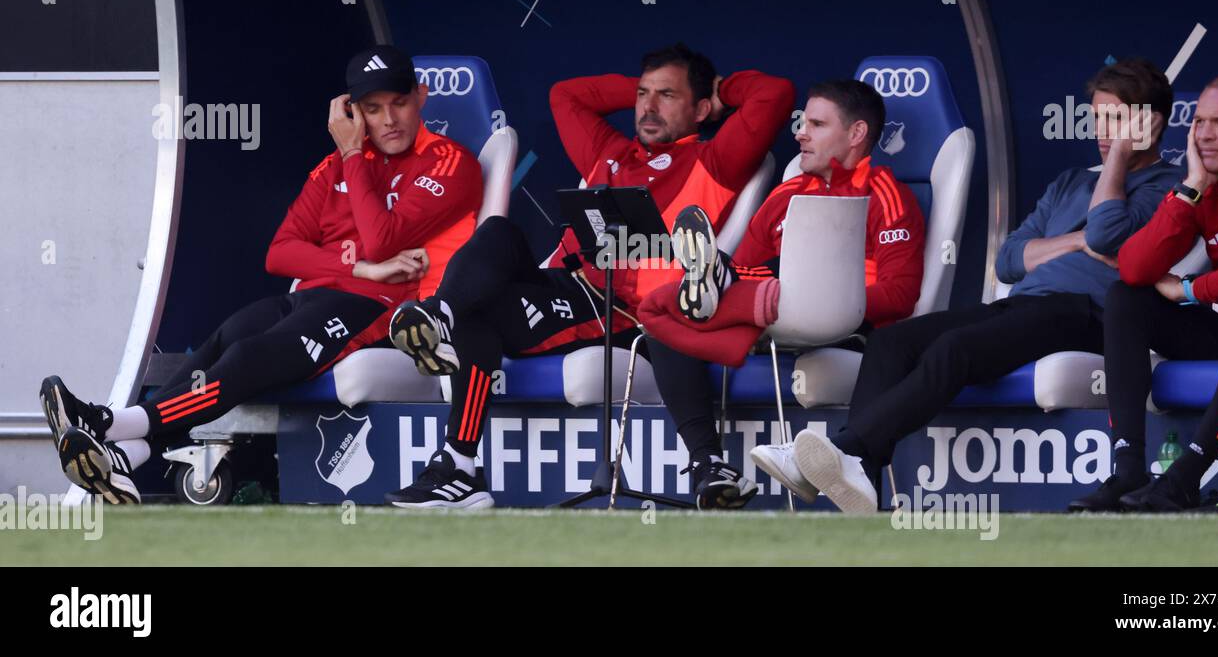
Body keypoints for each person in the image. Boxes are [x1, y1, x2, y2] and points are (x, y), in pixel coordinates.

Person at [40, 45, 483, 503]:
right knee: (226, 338)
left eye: (399, 102)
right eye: (372, 109)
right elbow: (281, 253)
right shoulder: (334, 168)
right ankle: (127, 457)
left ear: (422, 96)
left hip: (377, 306)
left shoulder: (449, 162)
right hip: (312, 294)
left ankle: (109, 423)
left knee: (252, 354)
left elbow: (383, 240)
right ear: (352, 111)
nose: (388, 119)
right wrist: (357, 263)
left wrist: (352, 155)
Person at [754, 57, 1182, 513]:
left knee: (955, 348)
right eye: (1097, 118)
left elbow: (1104, 233)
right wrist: (1075, 242)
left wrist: (1113, 167)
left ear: (1148, 123)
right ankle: (864, 476)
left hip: (1090, 313)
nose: (1102, 132)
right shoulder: (1069, 182)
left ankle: (848, 450)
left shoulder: (1168, 185)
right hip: (1028, 305)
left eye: (1115, 119)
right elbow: (1010, 260)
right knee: (893, 343)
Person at [385, 43, 795, 509]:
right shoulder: (609, 151)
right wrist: (646, 89)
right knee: (498, 236)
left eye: (667, 96)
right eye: (643, 95)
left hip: (626, 310)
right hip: (566, 285)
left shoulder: (714, 159)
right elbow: (566, 96)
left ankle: (459, 463)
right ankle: (440, 320)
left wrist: (720, 90)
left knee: (484, 320)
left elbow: (776, 93)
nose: (648, 106)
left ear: (701, 109)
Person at [637, 79, 925, 508]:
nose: (800, 132)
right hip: (769, 318)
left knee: (701, 293)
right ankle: (710, 465)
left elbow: (901, 294)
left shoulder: (884, 193)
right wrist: (755, 285)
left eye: (816, 124)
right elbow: (748, 269)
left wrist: (830, 295)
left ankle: (705, 285)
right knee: (666, 322)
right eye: (803, 121)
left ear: (857, 134)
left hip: (845, 323)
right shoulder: (785, 195)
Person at [1073, 71, 1218, 512]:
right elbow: (1137, 268)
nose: (1204, 135)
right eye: (1197, 123)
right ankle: (1128, 468)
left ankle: (1188, 474)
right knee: (1126, 298)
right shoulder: (1205, 181)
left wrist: (1192, 289)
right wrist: (1190, 189)